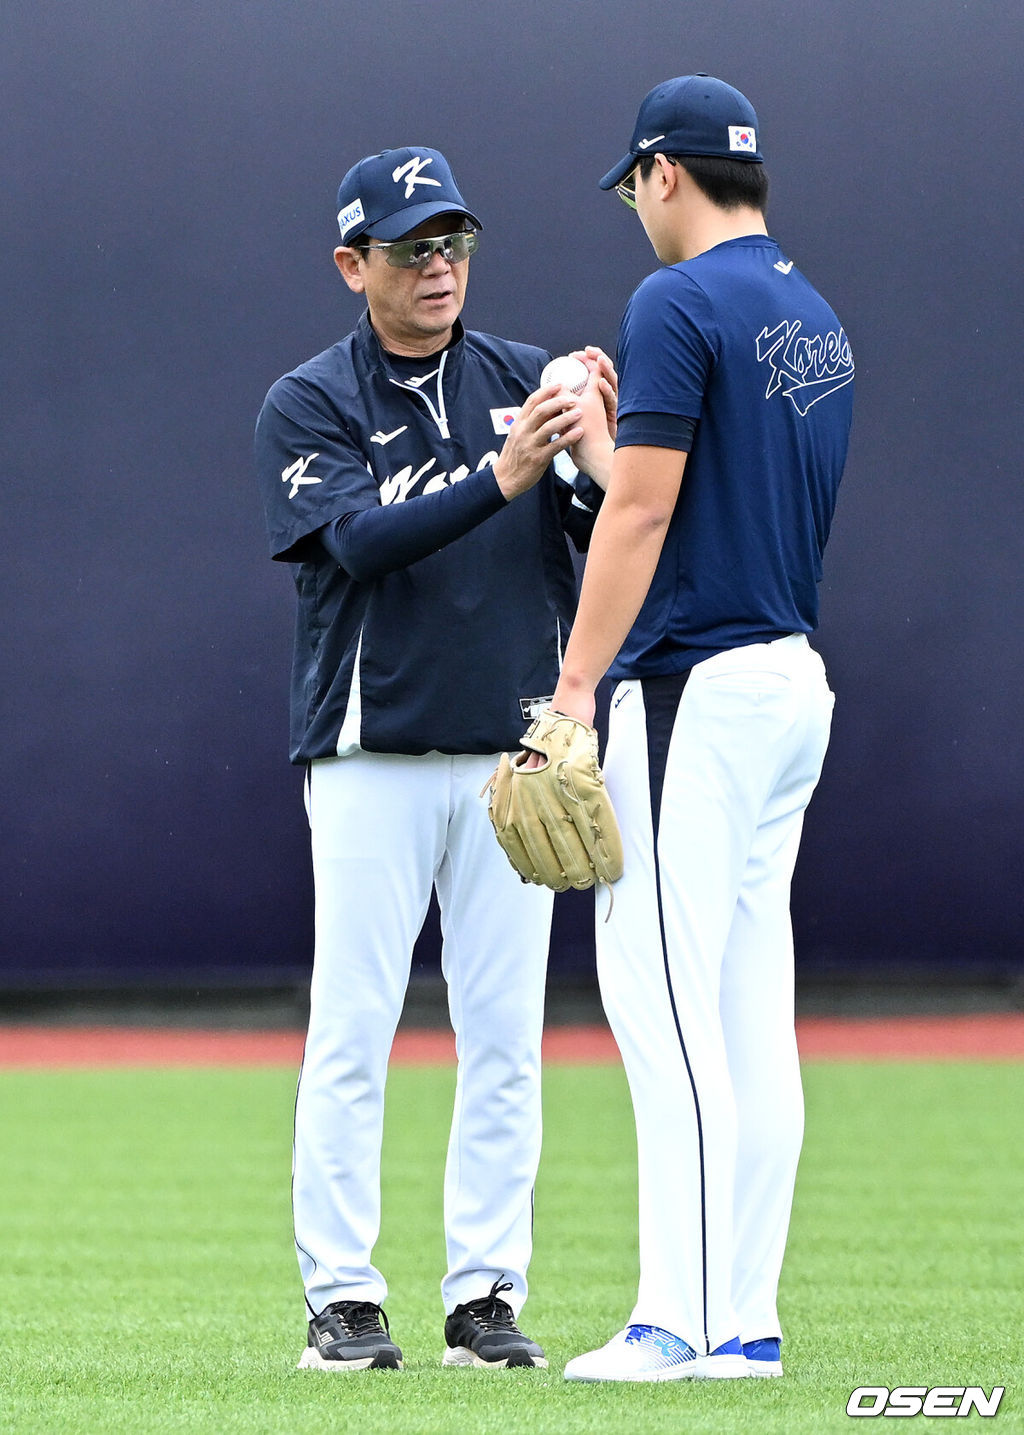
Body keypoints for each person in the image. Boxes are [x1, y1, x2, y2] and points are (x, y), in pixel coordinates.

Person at [254, 145, 612, 1372]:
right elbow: (355, 543)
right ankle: (343, 1299)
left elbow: (600, 526)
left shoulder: (527, 378)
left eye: (453, 241)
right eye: (412, 247)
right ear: (354, 264)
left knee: (506, 1035)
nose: (440, 267)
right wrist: (503, 474)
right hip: (371, 750)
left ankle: (483, 1296)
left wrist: (597, 445)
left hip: (509, 759)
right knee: (352, 1028)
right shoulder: (309, 399)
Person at [545, 76, 855, 1382]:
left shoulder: (675, 299)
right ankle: (748, 1321)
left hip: (693, 693)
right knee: (743, 1015)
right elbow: (688, 491)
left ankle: (679, 1318)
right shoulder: (813, 310)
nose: (633, 210)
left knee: (661, 1001)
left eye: (632, 187)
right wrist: (605, 440)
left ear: (664, 173)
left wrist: (567, 695)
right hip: (789, 682)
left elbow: (644, 518)